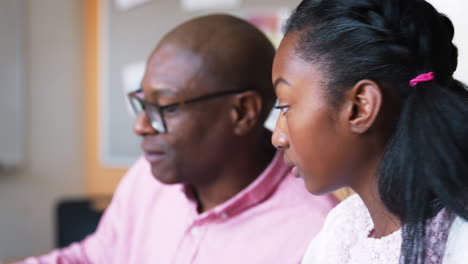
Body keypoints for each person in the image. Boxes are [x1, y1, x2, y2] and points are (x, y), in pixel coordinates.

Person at [16, 14, 338, 264]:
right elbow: (95, 257)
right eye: (143, 103)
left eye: (165, 107)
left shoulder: (315, 235)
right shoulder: (148, 176)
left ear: (242, 112)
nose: (141, 126)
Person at [271, 0, 468, 263]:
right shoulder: (340, 232)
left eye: (285, 106)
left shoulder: (459, 239)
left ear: (360, 106)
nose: (278, 137)